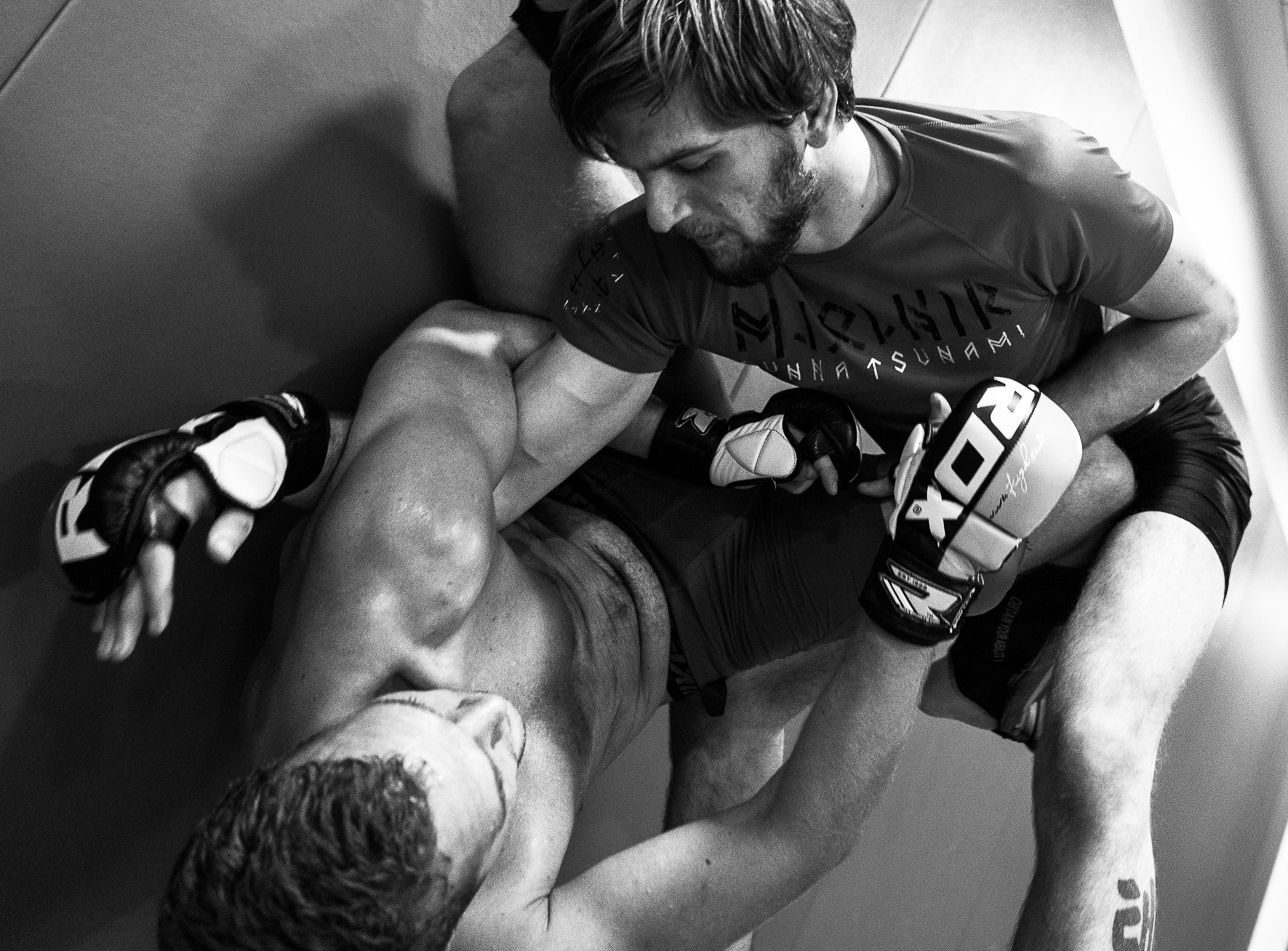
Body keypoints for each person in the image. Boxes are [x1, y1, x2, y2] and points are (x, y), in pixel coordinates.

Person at [439, 0, 1255, 948]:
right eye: (638, 172)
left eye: (693, 165)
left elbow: (1202, 314)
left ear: (815, 110)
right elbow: (514, 456)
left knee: (1097, 741)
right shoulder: (670, 254)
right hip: (933, 482)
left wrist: (1038, 429)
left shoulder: (1031, 182)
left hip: (1135, 430)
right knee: (726, 717)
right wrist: (284, 459)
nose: (657, 208)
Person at [49, 308, 1076, 951]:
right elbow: (796, 836)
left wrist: (262, 443)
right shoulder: (501, 936)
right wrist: (920, 585)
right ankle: (818, 687)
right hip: (710, 615)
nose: (494, 716)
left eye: (429, 707)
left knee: (504, 125)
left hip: (588, 450)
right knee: (1075, 481)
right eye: (494, 768)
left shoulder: (394, 571)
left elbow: (473, 340)